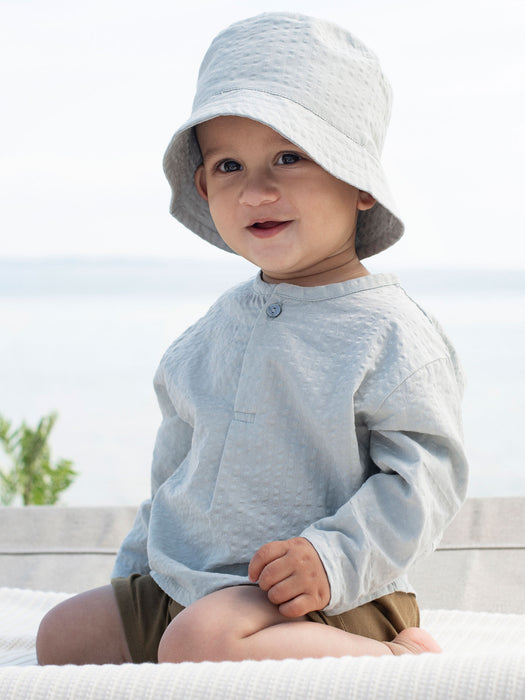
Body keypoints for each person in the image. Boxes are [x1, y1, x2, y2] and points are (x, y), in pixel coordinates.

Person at [36, 12, 468, 665]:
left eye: (289, 157)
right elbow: (173, 479)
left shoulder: (389, 331)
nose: (257, 190)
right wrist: (136, 580)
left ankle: (394, 660)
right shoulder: (206, 336)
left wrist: (332, 557)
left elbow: (425, 480)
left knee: (199, 641)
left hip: (326, 594)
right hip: (191, 583)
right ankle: (177, 628)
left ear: (357, 183)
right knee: (64, 635)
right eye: (230, 165)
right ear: (204, 185)